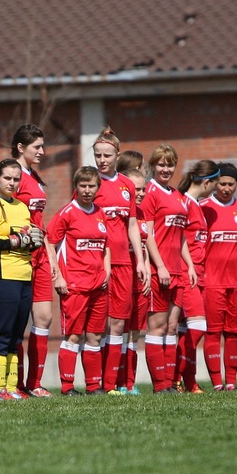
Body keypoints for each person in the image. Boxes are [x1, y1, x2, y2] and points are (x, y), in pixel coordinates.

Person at [91, 127, 147, 394]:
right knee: (99, 324)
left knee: (118, 323)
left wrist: (141, 261)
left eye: (107, 155)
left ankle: (113, 384)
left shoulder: (126, 185)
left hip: (125, 262)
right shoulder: (90, 183)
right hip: (98, 263)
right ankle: (97, 383)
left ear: (117, 155)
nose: (102, 160)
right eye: (98, 155)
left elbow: (133, 224)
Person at [48, 167, 110, 395]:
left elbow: (106, 247)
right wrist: (58, 275)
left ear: (97, 188)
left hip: (98, 286)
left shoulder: (100, 213)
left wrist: (107, 272)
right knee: (74, 335)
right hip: (74, 285)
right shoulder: (67, 213)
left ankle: (94, 386)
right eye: (82, 186)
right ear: (76, 187)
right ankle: (67, 387)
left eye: (91, 186)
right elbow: (49, 242)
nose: (86, 190)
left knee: (95, 335)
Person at [140, 143, 197, 394]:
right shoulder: (150, 192)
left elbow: (181, 235)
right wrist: (160, 265)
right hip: (158, 271)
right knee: (158, 327)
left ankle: (172, 383)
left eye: (170, 164)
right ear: (153, 166)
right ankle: (160, 385)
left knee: (173, 327)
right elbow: (148, 234)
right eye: (161, 164)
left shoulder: (177, 195)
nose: (166, 168)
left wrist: (190, 265)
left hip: (177, 270)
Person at [200, 163, 237, 391]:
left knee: (234, 333)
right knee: (213, 332)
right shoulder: (204, 207)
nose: (226, 188)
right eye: (222, 183)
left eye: (231, 184)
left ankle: (232, 382)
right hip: (212, 282)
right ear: (215, 183)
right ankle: (217, 382)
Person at [0, 159, 41, 400]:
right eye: (7, 178)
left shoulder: (22, 206)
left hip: (24, 273)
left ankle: (12, 388)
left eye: (16, 179)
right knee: (1, 331)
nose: (12, 183)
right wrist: (17, 238)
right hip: (2, 274)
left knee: (17, 333)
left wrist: (34, 238)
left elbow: (29, 236)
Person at [11, 124, 59, 397]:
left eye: (42, 146)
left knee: (43, 318)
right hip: (19, 256)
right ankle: (16, 384)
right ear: (20, 147)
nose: (42, 151)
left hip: (41, 255)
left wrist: (51, 257)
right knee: (18, 322)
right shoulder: (13, 176)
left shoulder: (35, 176)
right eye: (36, 147)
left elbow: (42, 224)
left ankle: (35, 383)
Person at [175, 160, 219, 393]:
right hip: (186, 273)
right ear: (206, 182)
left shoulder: (196, 205)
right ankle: (173, 377)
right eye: (215, 183)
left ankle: (188, 383)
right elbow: (177, 240)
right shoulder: (184, 204)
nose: (216, 189)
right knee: (199, 326)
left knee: (186, 330)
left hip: (199, 273)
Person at [117, 168, 151, 394]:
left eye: (142, 189)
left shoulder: (142, 215)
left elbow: (145, 246)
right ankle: (116, 381)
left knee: (134, 333)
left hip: (139, 281)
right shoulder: (120, 215)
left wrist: (147, 270)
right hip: (121, 277)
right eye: (135, 189)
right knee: (118, 331)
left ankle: (130, 382)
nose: (139, 193)